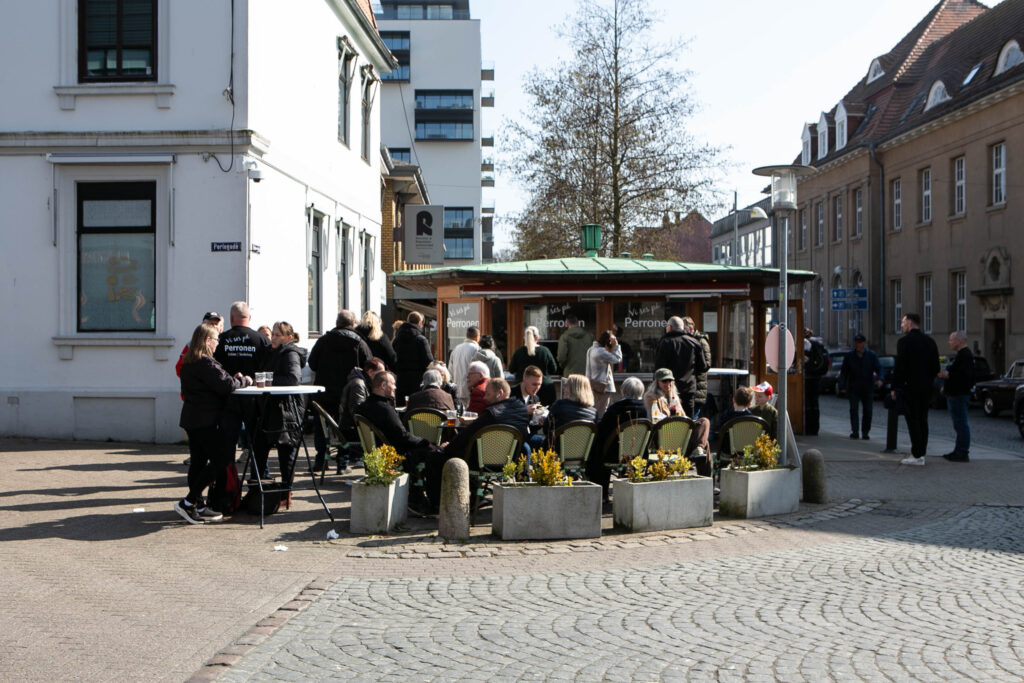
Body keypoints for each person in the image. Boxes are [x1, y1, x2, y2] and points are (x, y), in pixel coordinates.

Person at [174, 323, 249, 524]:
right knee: (222, 460)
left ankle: (196, 504)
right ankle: (189, 503)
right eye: (216, 340)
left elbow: (218, 382)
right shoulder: (205, 363)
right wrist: (244, 381)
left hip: (193, 418)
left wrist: (231, 380)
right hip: (205, 420)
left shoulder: (190, 362)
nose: (218, 344)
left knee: (198, 462)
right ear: (208, 340)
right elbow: (226, 385)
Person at [355, 371, 442, 515]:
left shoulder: (364, 407)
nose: (395, 387)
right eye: (393, 384)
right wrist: (426, 442)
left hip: (376, 453)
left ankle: (419, 497)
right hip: (395, 455)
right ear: (383, 385)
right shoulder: (385, 409)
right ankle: (427, 502)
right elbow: (403, 436)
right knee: (435, 456)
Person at [308, 310, 372, 469]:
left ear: (337, 322)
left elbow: (312, 363)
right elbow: (369, 365)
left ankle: (321, 460)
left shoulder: (323, 341)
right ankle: (342, 463)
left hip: (324, 391)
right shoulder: (359, 342)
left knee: (322, 427)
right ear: (353, 324)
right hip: (349, 393)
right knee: (345, 427)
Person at [214, 302, 271, 468]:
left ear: (231, 318)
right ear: (249, 318)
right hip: (255, 398)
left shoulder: (221, 340)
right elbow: (268, 368)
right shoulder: (261, 340)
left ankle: (226, 480)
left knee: (227, 442)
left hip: (228, 397)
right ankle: (259, 477)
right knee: (257, 441)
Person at [251, 322, 307, 484]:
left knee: (286, 451)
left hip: (285, 409)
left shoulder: (290, 353)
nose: (273, 338)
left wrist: (269, 380)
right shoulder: (270, 352)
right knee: (259, 447)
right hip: (268, 407)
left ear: (288, 338)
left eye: (277, 335)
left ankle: (285, 491)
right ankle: (257, 489)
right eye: (273, 334)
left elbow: (293, 378)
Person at [442, 377, 530, 472]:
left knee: (435, 457)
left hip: (481, 464)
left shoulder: (492, 414)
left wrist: (447, 448)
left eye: (488, 394)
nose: (484, 398)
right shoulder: (522, 411)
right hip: (510, 462)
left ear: (499, 393)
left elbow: (466, 435)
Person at [586, 377, 647, 498]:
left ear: (623, 390)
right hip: (636, 454)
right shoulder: (644, 410)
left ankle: (601, 494)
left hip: (613, 454)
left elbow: (602, 431)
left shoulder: (616, 409)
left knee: (596, 452)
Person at [892, 313, 940, 466]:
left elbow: (900, 367)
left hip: (910, 387)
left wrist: (895, 387)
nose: (901, 325)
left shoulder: (904, 342)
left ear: (910, 323)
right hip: (926, 388)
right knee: (923, 420)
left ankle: (916, 453)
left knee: (912, 421)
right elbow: (936, 368)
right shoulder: (930, 342)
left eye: (903, 322)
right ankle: (921, 453)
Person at [644, 369, 712, 471]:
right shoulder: (652, 397)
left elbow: (686, 419)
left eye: (670, 381)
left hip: (681, 436)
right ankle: (705, 477)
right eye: (664, 381)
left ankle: (699, 448)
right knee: (705, 443)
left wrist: (675, 404)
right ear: (657, 383)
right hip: (664, 438)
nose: (668, 384)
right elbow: (658, 419)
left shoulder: (674, 397)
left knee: (704, 421)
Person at [339, 357, 387, 469]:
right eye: (380, 372)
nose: (382, 376)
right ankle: (376, 468)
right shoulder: (359, 384)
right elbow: (357, 411)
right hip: (351, 429)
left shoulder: (363, 382)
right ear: (370, 372)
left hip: (352, 426)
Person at [655, 316, 708, 419]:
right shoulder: (693, 342)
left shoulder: (665, 342)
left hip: (668, 389)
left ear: (669, 327)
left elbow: (659, 369)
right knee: (688, 421)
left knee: (670, 420)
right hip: (689, 388)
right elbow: (703, 367)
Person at [838, 333, 882, 440]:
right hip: (854, 387)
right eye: (856, 343)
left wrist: (880, 379)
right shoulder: (849, 356)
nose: (858, 345)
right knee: (853, 409)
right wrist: (842, 386)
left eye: (860, 343)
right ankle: (855, 431)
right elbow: (844, 372)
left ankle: (865, 432)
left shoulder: (871, 355)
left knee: (868, 411)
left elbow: (879, 368)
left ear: (863, 344)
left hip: (868, 387)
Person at [938, 330, 972, 462]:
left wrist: (948, 375)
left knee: (961, 423)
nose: (949, 342)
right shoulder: (961, 355)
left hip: (958, 394)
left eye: (951, 340)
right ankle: (958, 450)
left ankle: (962, 452)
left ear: (959, 341)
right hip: (956, 393)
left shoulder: (965, 355)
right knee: (958, 424)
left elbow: (964, 376)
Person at [508, 326, 559, 404]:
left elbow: (511, 369)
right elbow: (554, 369)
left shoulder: (519, 351)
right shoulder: (545, 351)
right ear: (537, 338)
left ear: (525, 338)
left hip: (523, 389)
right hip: (545, 388)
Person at [392, 311, 434, 404]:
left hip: (401, 380)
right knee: (416, 409)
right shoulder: (421, 339)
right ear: (419, 323)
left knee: (402, 408)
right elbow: (428, 362)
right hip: (417, 381)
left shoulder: (397, 339)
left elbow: (392, 359)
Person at [543, 374, 597, 444]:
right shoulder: (594, 413)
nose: (564, 388)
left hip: (557, 450)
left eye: (567, 385)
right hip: (583, 452)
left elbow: (546, 429)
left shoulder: (559, 405)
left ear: (571, 389)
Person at [509, 365, 547, 456]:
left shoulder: (535, 398)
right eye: (534, 384)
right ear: (524, 380)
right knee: (525, 449)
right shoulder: (511, 394)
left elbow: (533, 427)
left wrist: (539, 422)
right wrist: (523, 411)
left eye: (539, 384)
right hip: (511, 436)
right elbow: (504, 417)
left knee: (546, 442)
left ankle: (541, 470)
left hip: (526, 435)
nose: (537, 388)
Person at [585, 330, 623, 418]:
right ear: (608, 341)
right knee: (601, 412)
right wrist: (616, 345)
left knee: (595, 410)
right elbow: (617, 359)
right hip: (602, 386)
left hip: (593, 384)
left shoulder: (591, 349)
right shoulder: (601, 352)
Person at [683, 317, 714, 418]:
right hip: (688, 387)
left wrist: (689, 367)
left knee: (693, 418)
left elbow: (706, 364)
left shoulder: (701, 341)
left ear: (691, 329)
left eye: (684, 330)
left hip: (697, 387)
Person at [803, 327, 828, 435]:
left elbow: (806, 362)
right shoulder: (817, 344)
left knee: (809, 404)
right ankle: (813, 428)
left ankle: (810, 428)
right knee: (813, 404)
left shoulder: (809, 344)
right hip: (816, 378)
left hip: (810, 378)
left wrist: (807, 362)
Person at [448, 326, 481, 405]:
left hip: (457, 389)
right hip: (470, 390)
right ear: (477, 337)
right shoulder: (477, 349)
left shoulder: (456, 348)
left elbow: (450, 370)